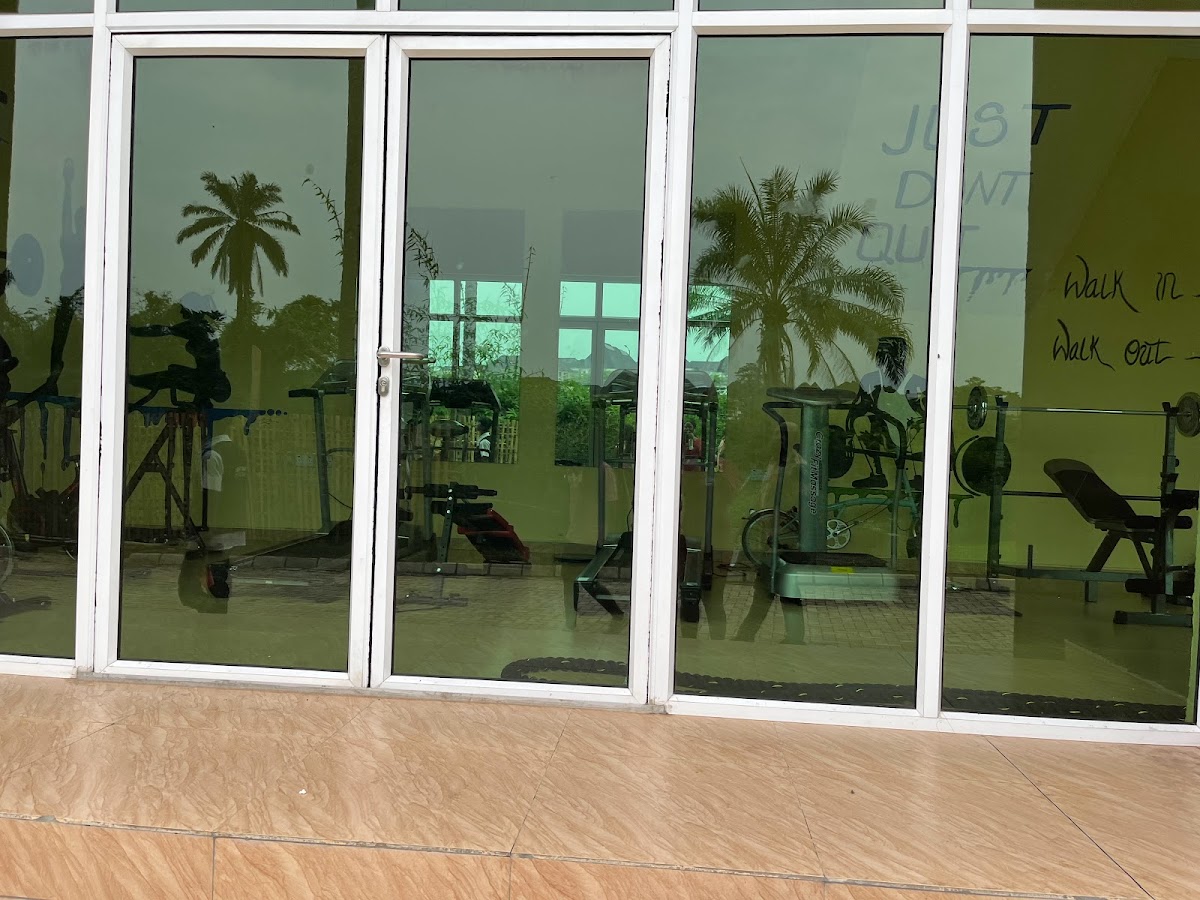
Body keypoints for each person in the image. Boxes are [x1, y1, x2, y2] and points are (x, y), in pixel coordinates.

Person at [845, 336, 926, 489]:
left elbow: (935, 418)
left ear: (900, 356)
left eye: (888, 352)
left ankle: (916, 478)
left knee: (918, 430)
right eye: (881, 352)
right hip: (885, 430)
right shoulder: (871, 381)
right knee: (864, 423)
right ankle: (878, 474)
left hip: (910, 432)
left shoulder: (917, 383)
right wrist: (848, 435)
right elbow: (857, 409)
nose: (884, 357)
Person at [128, 292, 232, 410]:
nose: (181, 312)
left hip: (213, 384)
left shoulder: (196, 328)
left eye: (183, 308)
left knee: (166, 377)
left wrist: (134, 331)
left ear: (190, 309)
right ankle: (134, 383)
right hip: (211, 381)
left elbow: (163, 330)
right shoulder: (202, 327)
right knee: (170, 373)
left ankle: (134, 383)